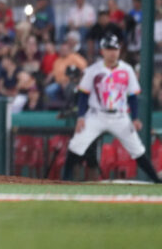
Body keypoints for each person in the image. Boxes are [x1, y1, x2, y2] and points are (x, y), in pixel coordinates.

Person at [62, 34, 161, 183]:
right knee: (76, 145)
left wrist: (135, 118)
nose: (112, 52)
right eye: (108, 49)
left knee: (138, 150)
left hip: (119, 116)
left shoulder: (127, 70)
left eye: (114, 48)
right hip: (96, 114)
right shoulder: (93, 70)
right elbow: (83, 94)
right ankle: (64, 180)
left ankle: (156, 181)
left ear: (119, 51)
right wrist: (81, 116)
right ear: (102, 51)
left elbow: (132, 96)